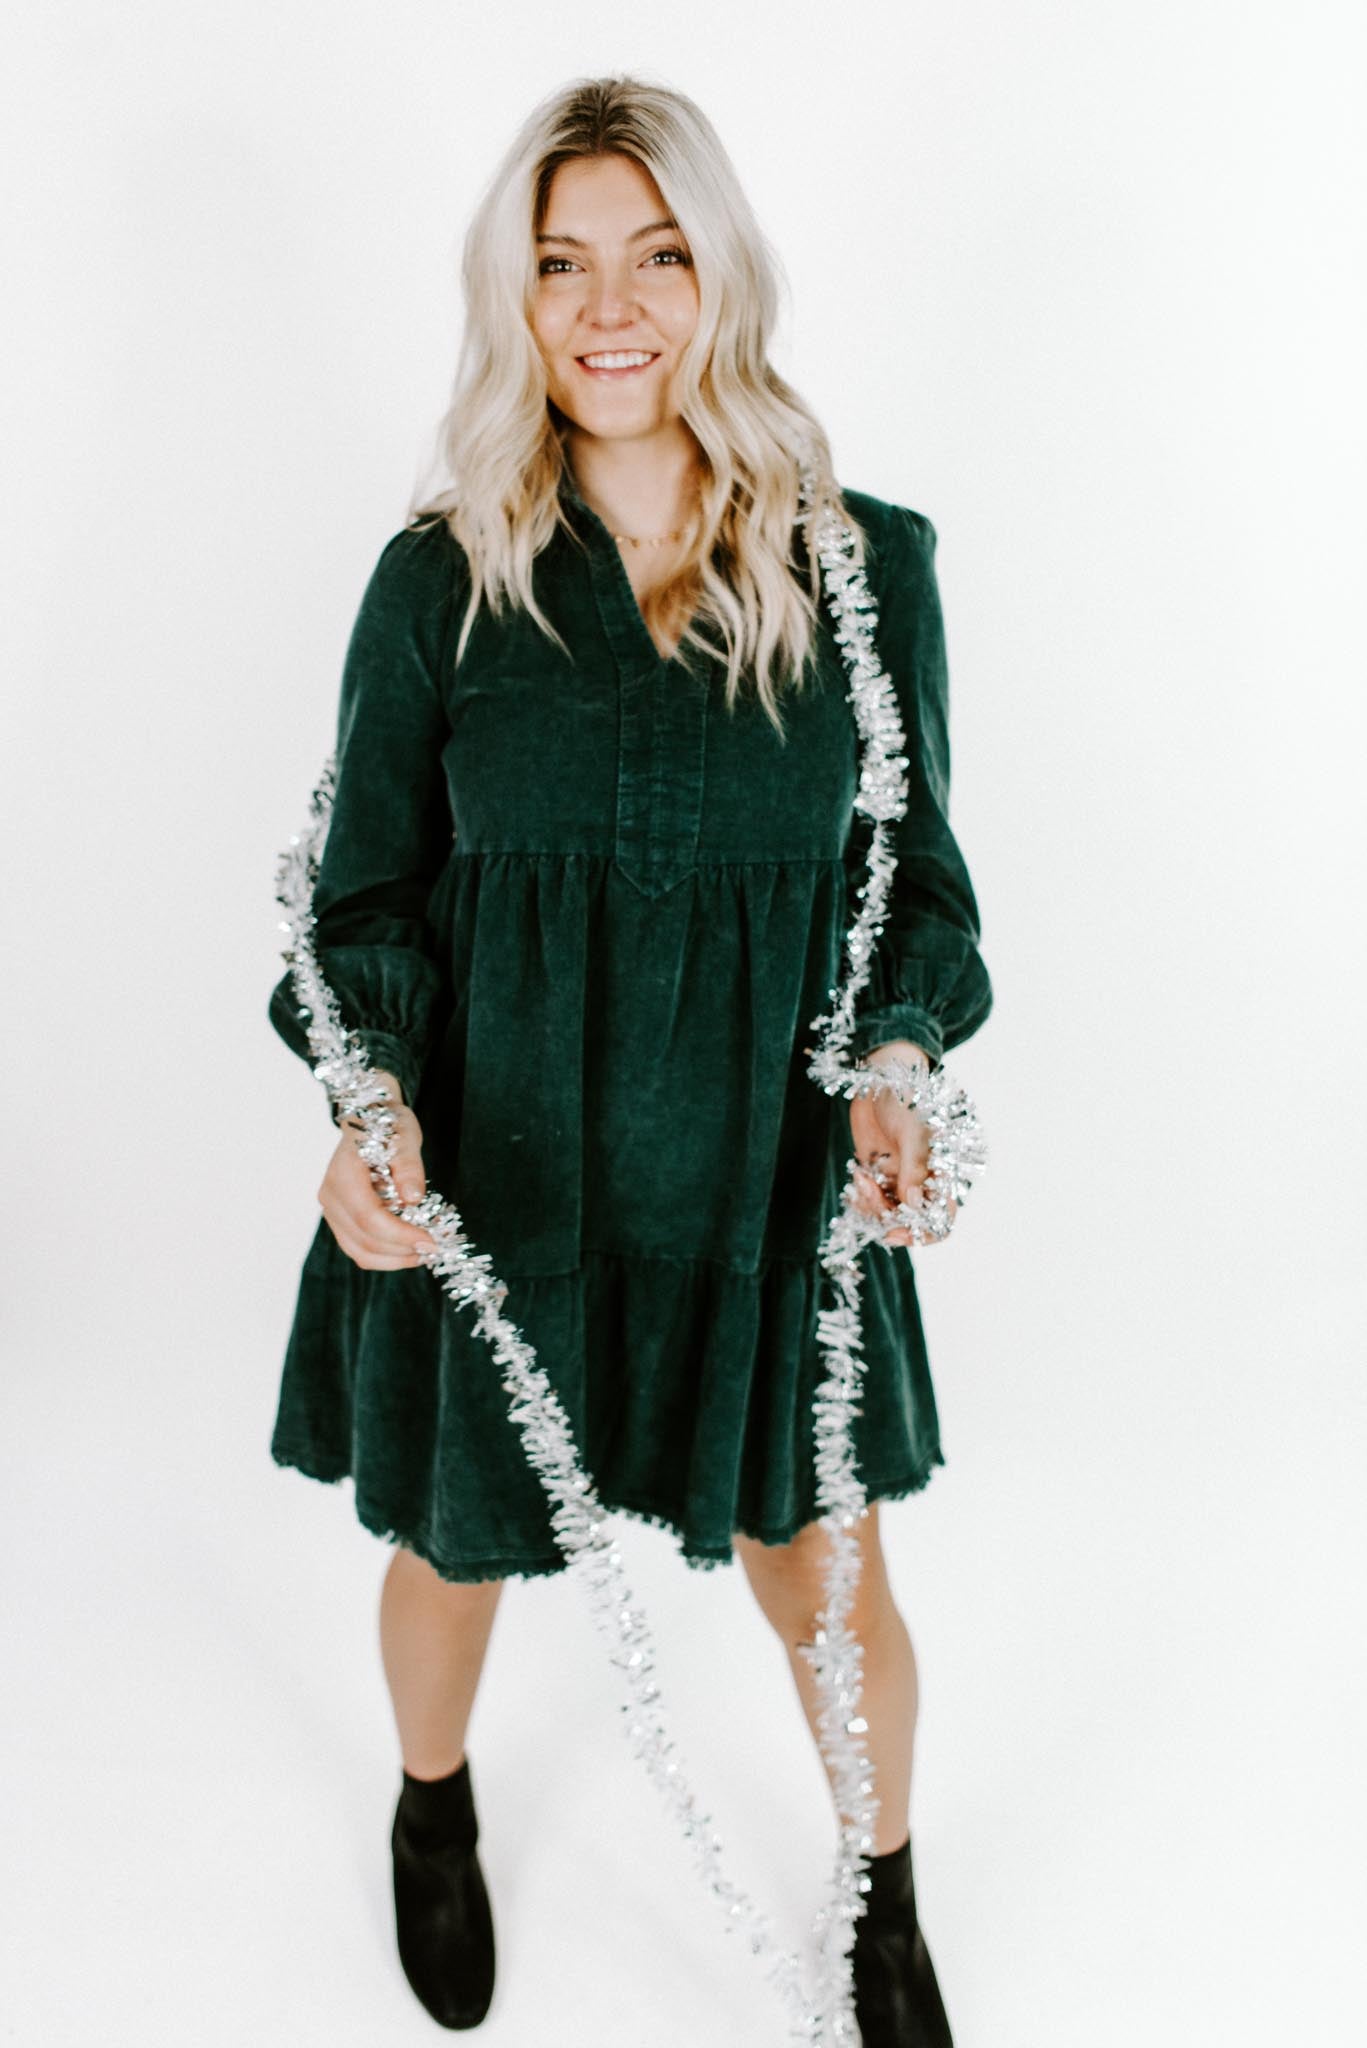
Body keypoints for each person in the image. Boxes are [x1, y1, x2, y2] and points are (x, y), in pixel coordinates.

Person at [267, 73, 992, 2046]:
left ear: (720, 275)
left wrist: (898, 1062)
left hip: (765, 1188)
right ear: (511, 296)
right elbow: (362, 904)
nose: (610, 308)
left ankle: (885, 1887)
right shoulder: (441, 582)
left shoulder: (863, 570)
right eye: (561, 261)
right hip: (501, 1174)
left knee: (827, 1578)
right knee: (455, 1548)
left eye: (656, 256)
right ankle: (434, 1806)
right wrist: (372, 1102)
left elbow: (919, 893)